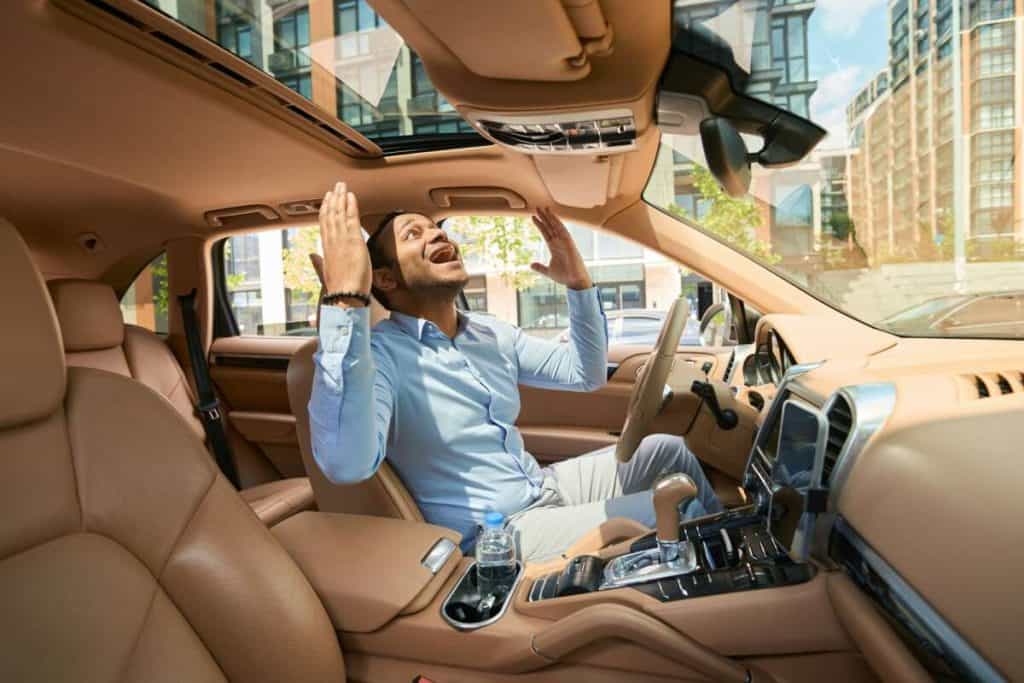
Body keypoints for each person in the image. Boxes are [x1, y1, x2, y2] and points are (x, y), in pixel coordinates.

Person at [309, 182, 722, 562]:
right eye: (413, 234)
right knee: (679, 505)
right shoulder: (379, 356)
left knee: (671, 450)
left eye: (436, 229)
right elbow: (346, 465)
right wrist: (347, 298)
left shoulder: (489, 331)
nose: (438, 234)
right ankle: (727, 590)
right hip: (498, 530)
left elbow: (586, 373)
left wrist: (577, 284)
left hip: (540, 487)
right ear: (383, 278)